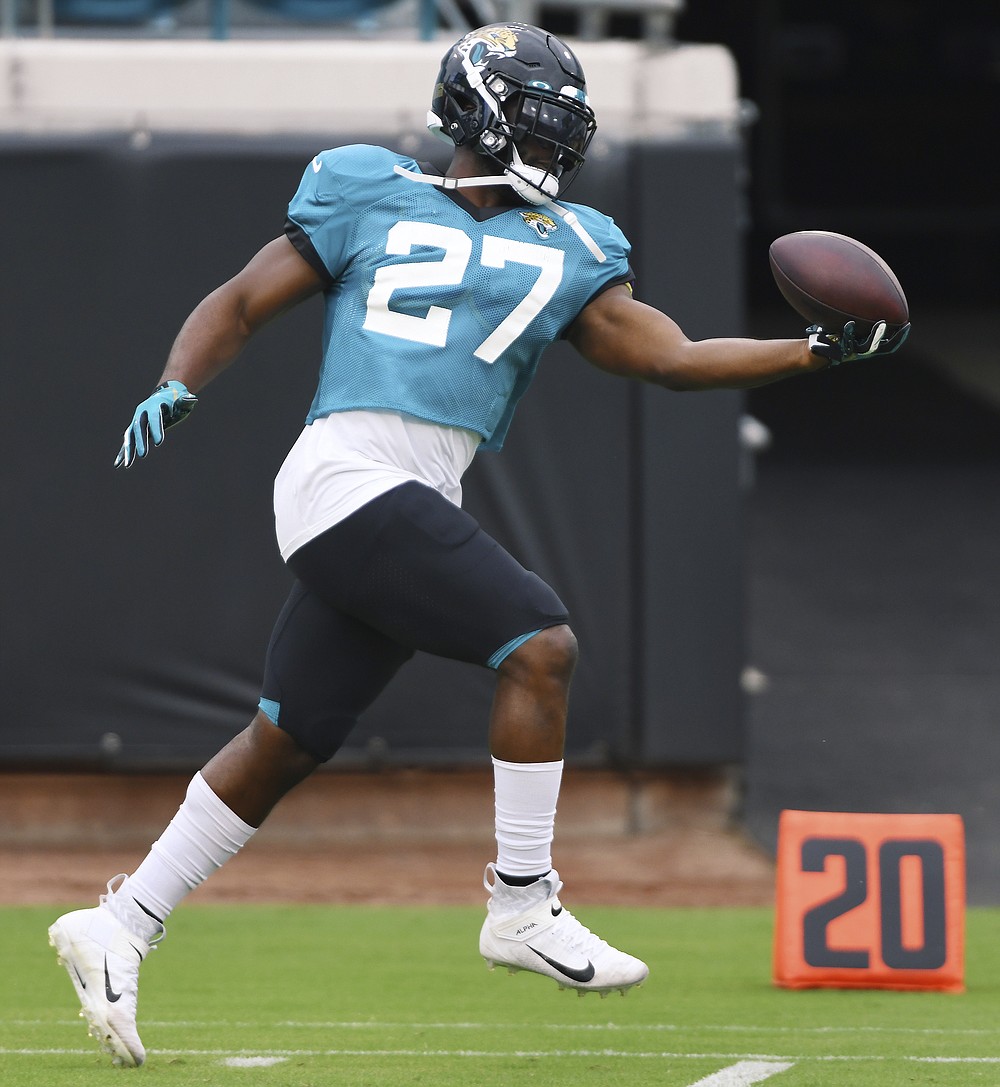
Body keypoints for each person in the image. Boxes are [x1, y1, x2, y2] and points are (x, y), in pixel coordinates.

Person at [47, 22, 909, 1069]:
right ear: (474, 114)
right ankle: (520, 900)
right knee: (538, 643)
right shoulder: (366, 190)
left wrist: (811, 351)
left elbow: (671, 357)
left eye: (565, 128)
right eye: (536, 120)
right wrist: (181, 378)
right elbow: (239, 299)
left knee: (288, 737)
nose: (553, 145)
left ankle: (120, 922)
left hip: (404, 492)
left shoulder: (573, 240)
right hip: (345, 476)